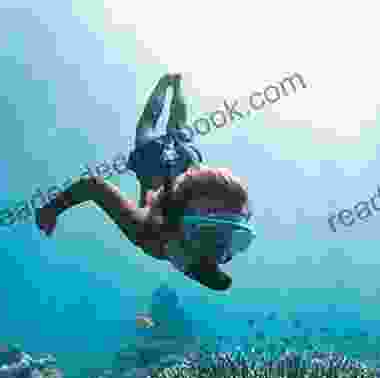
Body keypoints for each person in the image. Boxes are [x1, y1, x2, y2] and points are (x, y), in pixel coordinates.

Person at [36, 73, 254, 291]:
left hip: (165, 161)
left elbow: (93, 186)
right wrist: (51, 209)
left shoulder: (149, 233)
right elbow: (93, 186)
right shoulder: (150, 235)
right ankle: (172, 84)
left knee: (167, 124)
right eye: (222, 242)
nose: (218, 254)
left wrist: (52, 208)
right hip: (166, 163)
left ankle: (172, 84)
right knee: (164, 124)